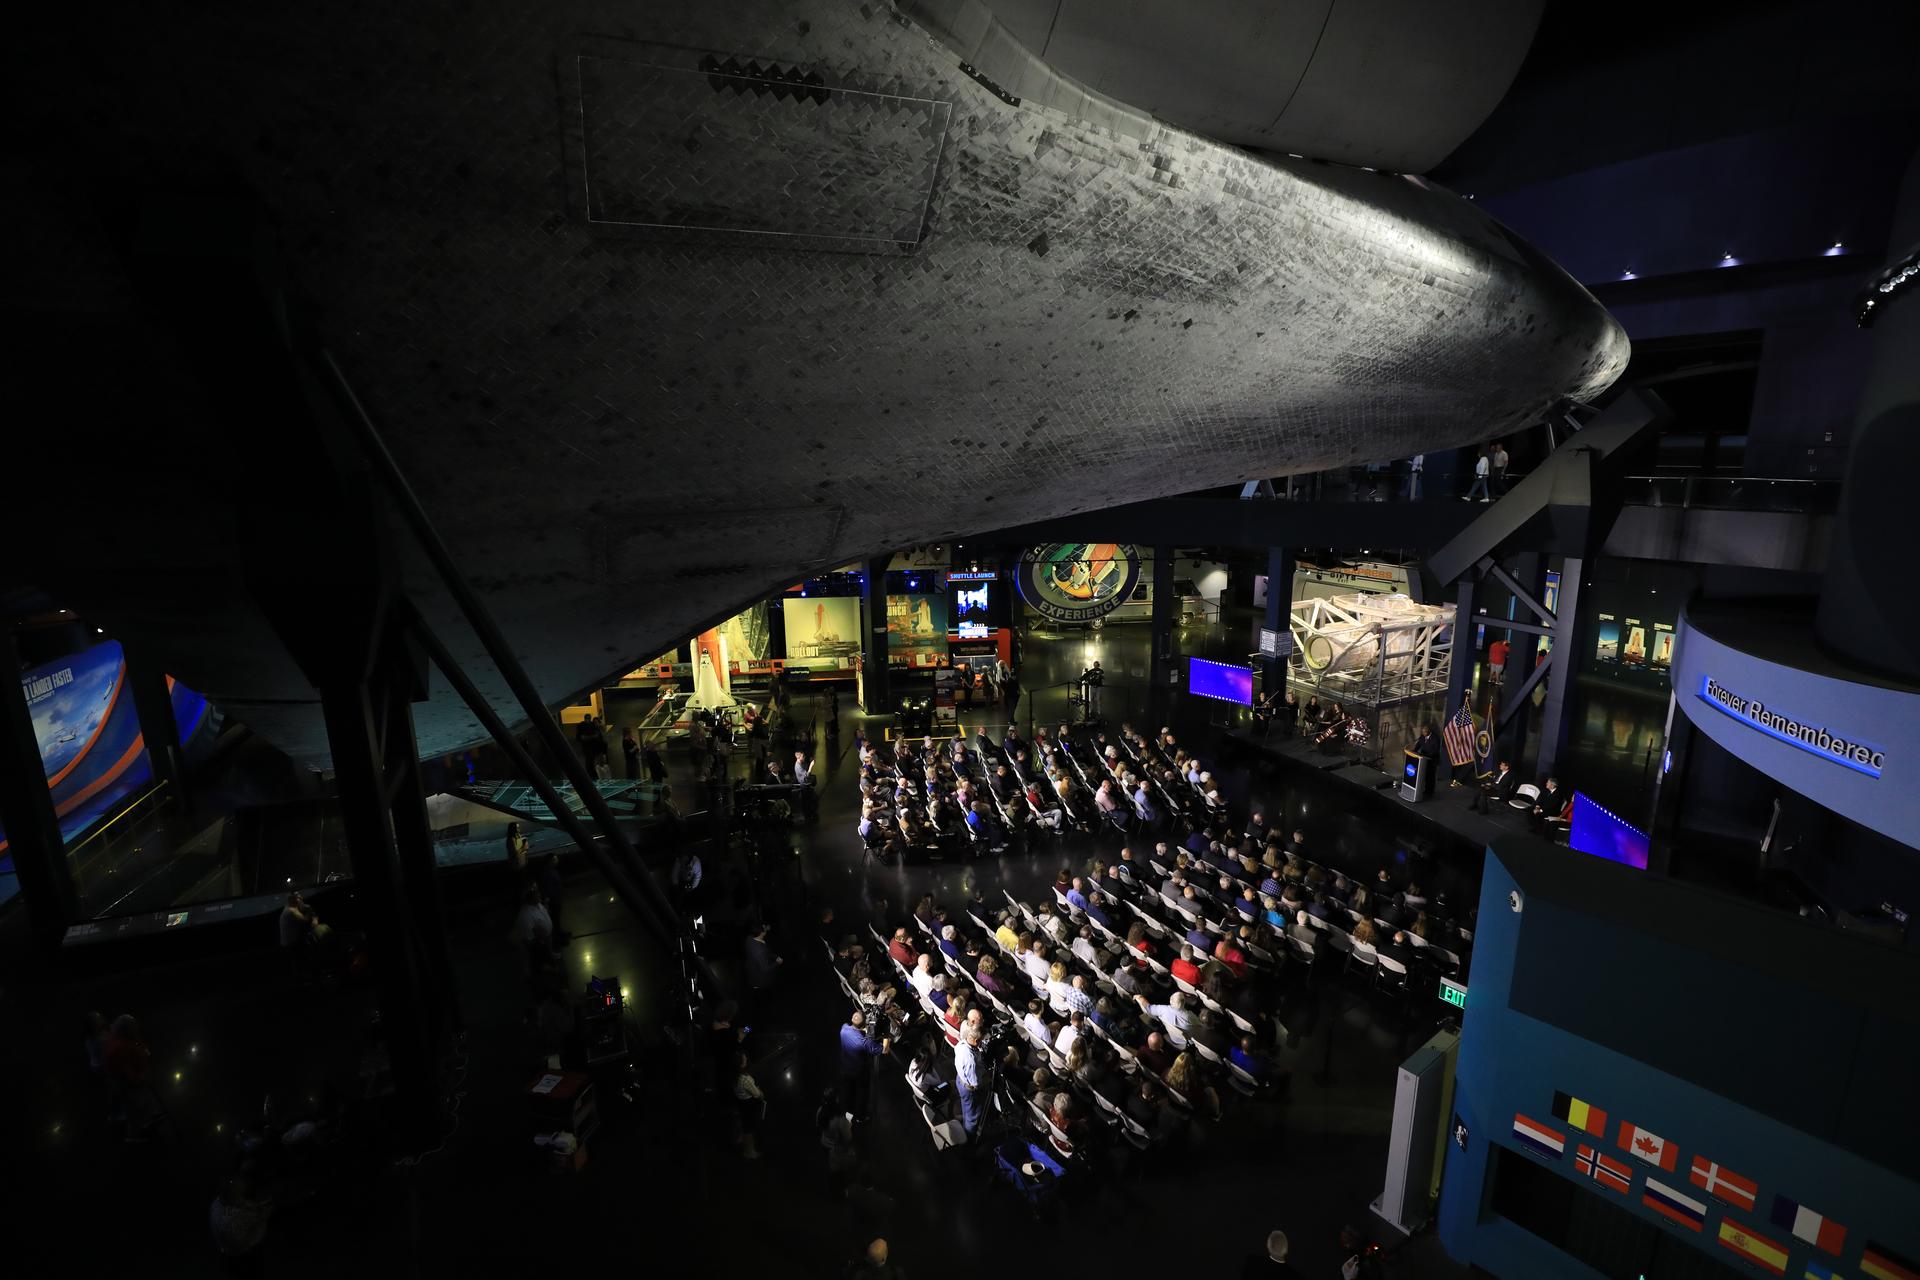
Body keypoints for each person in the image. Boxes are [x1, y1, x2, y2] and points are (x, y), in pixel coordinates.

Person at [210, 1167, 273, 1276]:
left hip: (227, 1250)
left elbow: (240, 1203)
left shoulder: (218, 1202)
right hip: (242, 1256)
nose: (243, 1195)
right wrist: (263, 1217)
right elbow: (246, 1242)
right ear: (233, 1194)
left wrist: (256, 1206)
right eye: (241, 1192)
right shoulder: (232, 1220)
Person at [837, 1011, 889, 1121]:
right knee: (862, 1094)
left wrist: (863, 1029)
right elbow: (884, 1050)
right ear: (864, 1024)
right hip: (859, 1072)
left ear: (852, 1019)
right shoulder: (864, 1043)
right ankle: (860, 1117)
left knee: (849, 1091)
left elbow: (856, 1030)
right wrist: (886, 1036)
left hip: (845, 1068)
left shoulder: (843, 1029)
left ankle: (848, 1113)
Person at [733, 1052, 766, 1159]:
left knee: (744, 1124)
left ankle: (741, 1140)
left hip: (740, 1103)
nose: (746, 1058)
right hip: (748, 1105)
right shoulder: (745, 1079)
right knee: (749, 1128)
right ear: (741, 1064)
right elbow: (757, 1094)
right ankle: (749, 1152)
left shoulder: (734, 1075)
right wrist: (761, 1092)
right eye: (744, 1058)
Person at [954, 1022, 985, 1134]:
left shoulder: (961, 1043)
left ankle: (965, 1119)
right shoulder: (970, 1060)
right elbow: (975, 1083)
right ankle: (968, 1135)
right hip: (968, 1088)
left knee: (966, 1106)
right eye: (980, 1040)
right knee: (973, 1115)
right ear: (976, 1041)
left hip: (960, 1079)